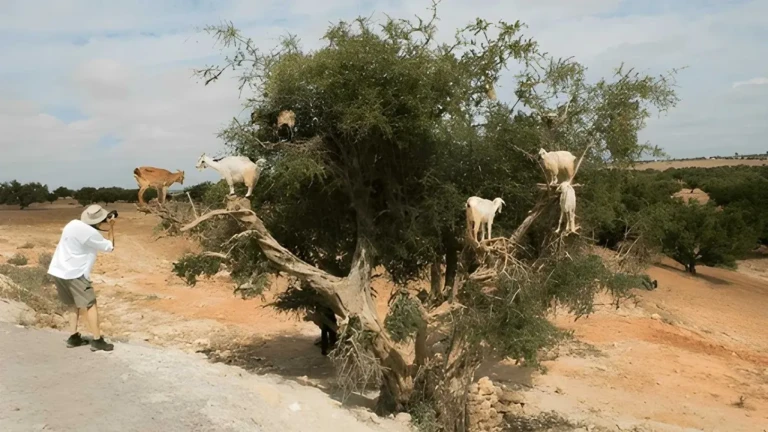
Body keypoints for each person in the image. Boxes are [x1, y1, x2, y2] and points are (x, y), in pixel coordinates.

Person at [47, 204, 116, 351]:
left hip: (59, 270)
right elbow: (110, 247)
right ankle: (97, 340)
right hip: (75, 273)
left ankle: (73, 337)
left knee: (72, 304)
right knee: (90, 304)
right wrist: (111, 227)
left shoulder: (72, 224)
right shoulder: (91, 234)